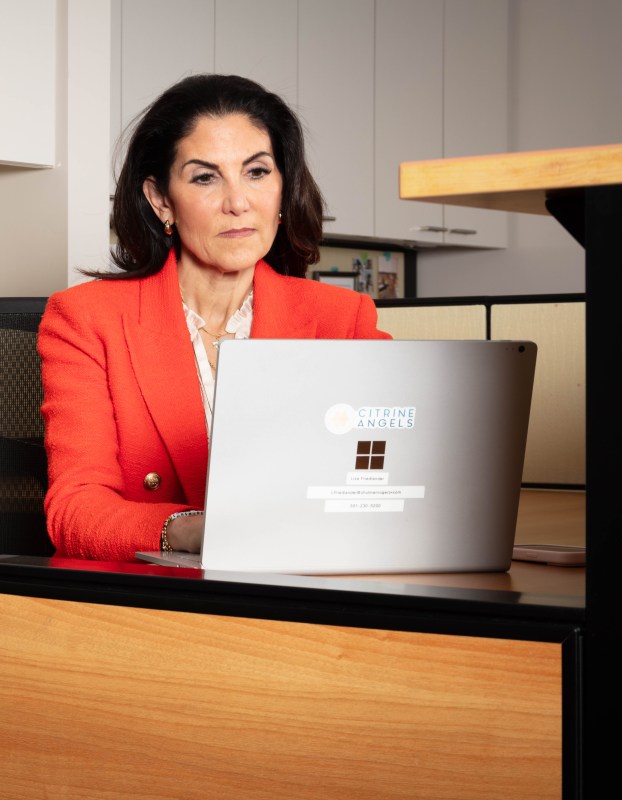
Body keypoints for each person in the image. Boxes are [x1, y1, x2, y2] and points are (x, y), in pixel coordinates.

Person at [38, 74, 391, 562]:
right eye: (205, 177)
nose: (238, 202)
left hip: (307, 580)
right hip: (158, 599)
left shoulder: (342, 319)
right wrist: (195, 530)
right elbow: (74, 511)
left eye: (257, 172)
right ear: (161, 199)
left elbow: (389, 473)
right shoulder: (86, 320)